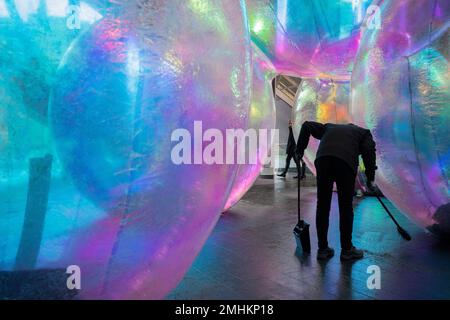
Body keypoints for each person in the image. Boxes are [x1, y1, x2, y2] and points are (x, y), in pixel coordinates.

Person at [296, 121, 377, 261]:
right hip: (345, 162)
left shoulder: (329, 127)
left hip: (323, 160)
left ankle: (322, 249)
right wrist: (370, 178)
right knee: (345, 207)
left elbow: (306, 125)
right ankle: (346, 250)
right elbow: (369, 151)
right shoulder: (363, 133)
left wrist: (299, 151)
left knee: (322, 206)